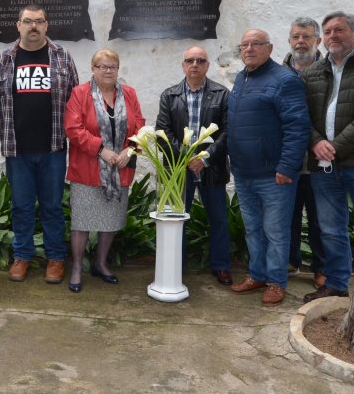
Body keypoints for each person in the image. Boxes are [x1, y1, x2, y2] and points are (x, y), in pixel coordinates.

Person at [0, 4, 79, 284]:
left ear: (47, 25)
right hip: (17, 148)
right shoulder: (5, 59)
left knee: (53, 206)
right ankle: (22, 256)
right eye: (28, 21)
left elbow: (75, 103)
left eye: (39, 21)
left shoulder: (63, 56)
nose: (33, 26)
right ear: (18, 25)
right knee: (21, 206)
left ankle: (55, 258)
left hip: (53, 147)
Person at [227, 29, 309, 306]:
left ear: (269, 48)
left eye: (256, 44)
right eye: (244, 44)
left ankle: (276, 281)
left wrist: (287, 167)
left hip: (274, 174)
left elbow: (297, 127)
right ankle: (257, 274)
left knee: (275, 231)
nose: (249, 49)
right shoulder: (242, 77)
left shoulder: (285, 80)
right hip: (244, 172)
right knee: (253, 229)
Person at [301, 11, 354, 303]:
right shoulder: (312, 73)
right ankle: (336, 284)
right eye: (328, 31)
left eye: (339, 30)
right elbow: (300, 117)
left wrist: (335, 147)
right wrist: (316, 141)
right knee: (331, 229)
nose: (333, 36)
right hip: (324, 167)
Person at [64, 49, 144, 293]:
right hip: (87, 170)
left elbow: (140, 126)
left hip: (119, 170)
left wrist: (129, 151)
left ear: (118, 69)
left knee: (110, 220)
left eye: (112, 66)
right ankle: (77, 267)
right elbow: (73, 128)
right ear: (93, 69)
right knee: (82, 222)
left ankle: (100, 264)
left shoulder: (129, 94)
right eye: (102, 66)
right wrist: (102, 150)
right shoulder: (80, 93)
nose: (108, 70)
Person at [155, 46, 232, 285]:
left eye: (200, 60)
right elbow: (162, 132)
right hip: (179, 169)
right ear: (183, 65)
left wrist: (205, 158)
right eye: (190, 60)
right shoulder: (170, 95)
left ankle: (221, 266)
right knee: (178, 218)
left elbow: (228, 132)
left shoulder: (222, 94)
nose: (195, 65)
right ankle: (177, 264)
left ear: (207, 66)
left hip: (212, 168)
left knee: (218, 219)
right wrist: (187, 158)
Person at [282, 17, 325, 287]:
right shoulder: (278, 73)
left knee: (321, 219)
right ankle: (290, 261)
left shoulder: (331, 70)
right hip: (288, 161)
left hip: (321, 161)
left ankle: (322, 268)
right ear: (289, 40)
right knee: (288, 216)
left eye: (307, 36)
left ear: (317, 41)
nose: (301, 41)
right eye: (296, 36)